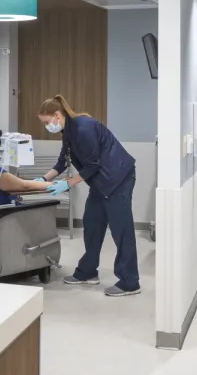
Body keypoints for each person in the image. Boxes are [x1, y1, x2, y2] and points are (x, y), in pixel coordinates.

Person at [35, 95, 140, 297]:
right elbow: (62, 162)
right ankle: (87, 272)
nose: (47, 126)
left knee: (121, 230)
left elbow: (92, 165)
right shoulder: (68, 132)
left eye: (47, 122)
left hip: (118, 179)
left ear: (57, 115)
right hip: (101, 181)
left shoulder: (83, 128)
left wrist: (67, 184)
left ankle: (130, 282)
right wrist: (42, 179)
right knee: (92, 224)